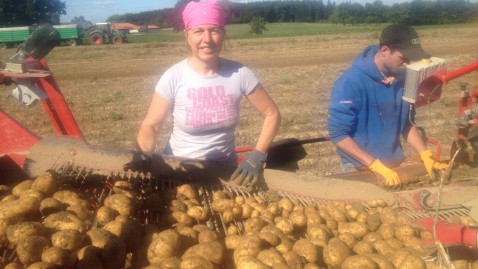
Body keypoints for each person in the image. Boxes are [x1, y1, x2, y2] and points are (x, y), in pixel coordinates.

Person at [124, 0, 281, 188]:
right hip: (179, 168)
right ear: (187, 36)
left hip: (225, 169)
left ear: (223, 34)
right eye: (198, 31)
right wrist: (144, 155)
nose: (207, 39)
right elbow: (151, 125)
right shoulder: (174, 76)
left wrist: (257, 155)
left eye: (214, 30)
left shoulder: (240, 73)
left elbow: (272, 114)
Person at [327, 24, 448, 188]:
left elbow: (406, 123)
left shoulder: (403, 77)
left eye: (410, 59)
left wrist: (424, 153)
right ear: (384, 51)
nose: (407, 63)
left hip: (394, 167)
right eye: (403, 58)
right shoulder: (350, 82)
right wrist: (374, 165)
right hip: (360, 170)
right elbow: (339, 135)